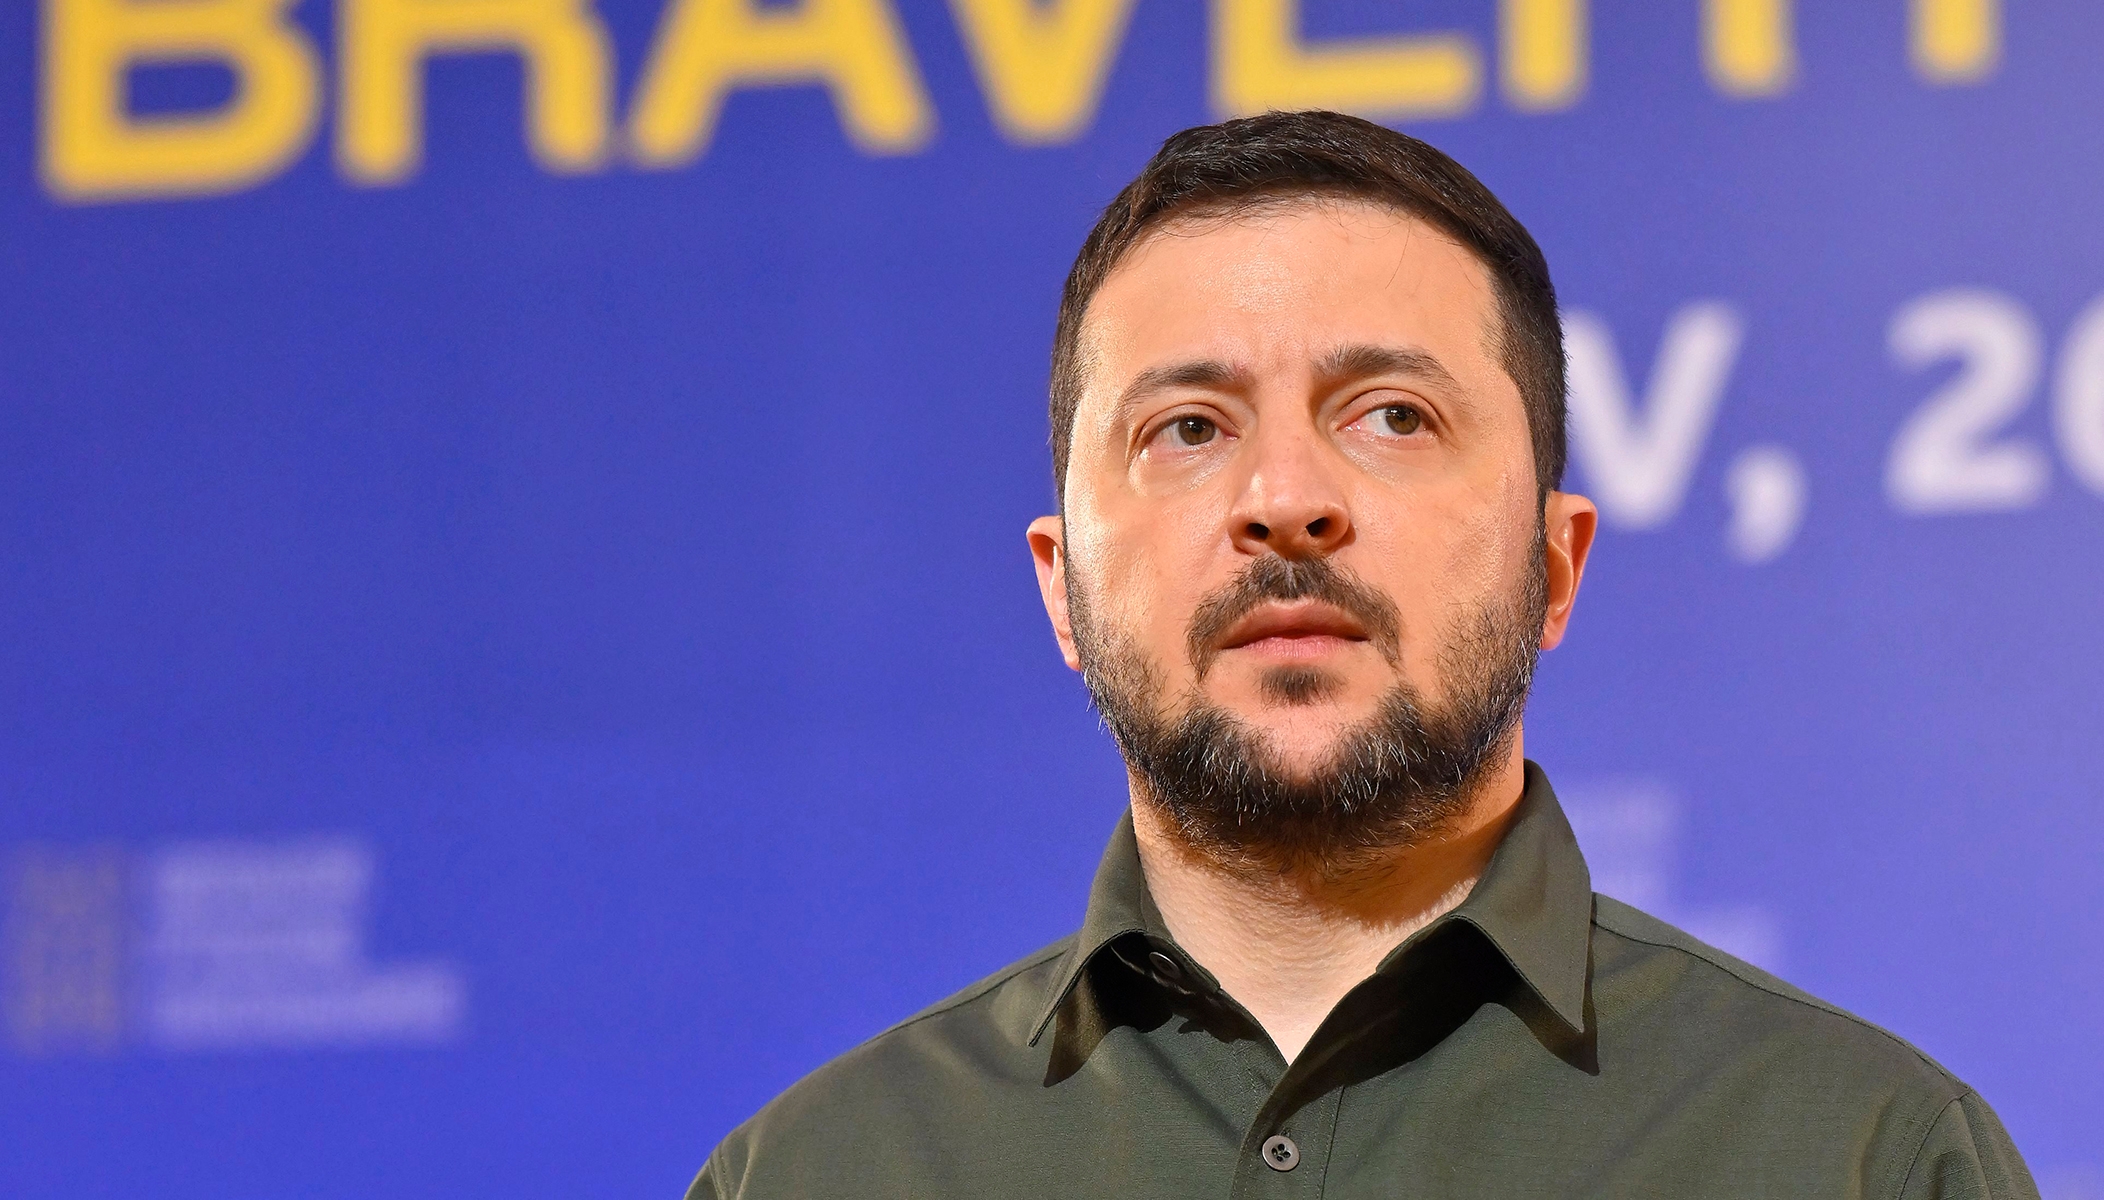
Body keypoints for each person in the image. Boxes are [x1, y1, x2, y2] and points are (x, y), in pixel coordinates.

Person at [684, 111, 2036, 1198]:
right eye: (1190, 428)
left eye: (1391, 415)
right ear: (1063, 589)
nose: (1285, 494)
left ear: (1555, 564)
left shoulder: (1863, 1155)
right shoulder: (812, 1175)